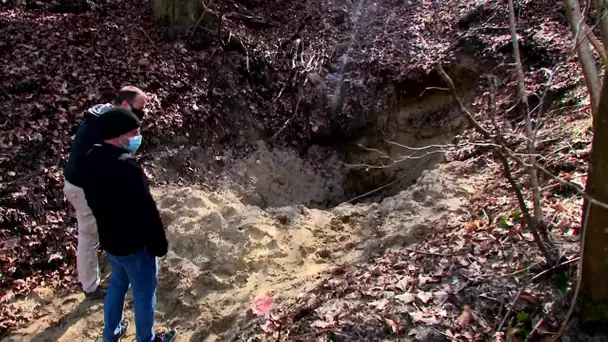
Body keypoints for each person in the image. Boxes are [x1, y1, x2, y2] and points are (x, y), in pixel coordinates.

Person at [81, 108, 176, 342]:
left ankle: (110, 334)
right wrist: (158, 242)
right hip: (136, 246)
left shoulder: (90, 158)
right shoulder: (126, 166)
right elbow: (146, 209)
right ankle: (147, 338)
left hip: (111, 242)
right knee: (144, 295)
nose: (137, 137)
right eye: (134, 132)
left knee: (117, 285)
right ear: (117, 134)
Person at [63, 86, 148, 299]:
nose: (142, 113)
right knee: (89, 235)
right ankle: (91, 287)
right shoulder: (105, 125)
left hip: (83, 181)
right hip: (83, 187)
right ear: (126, 105)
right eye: (140, 108)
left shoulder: (106, 115)